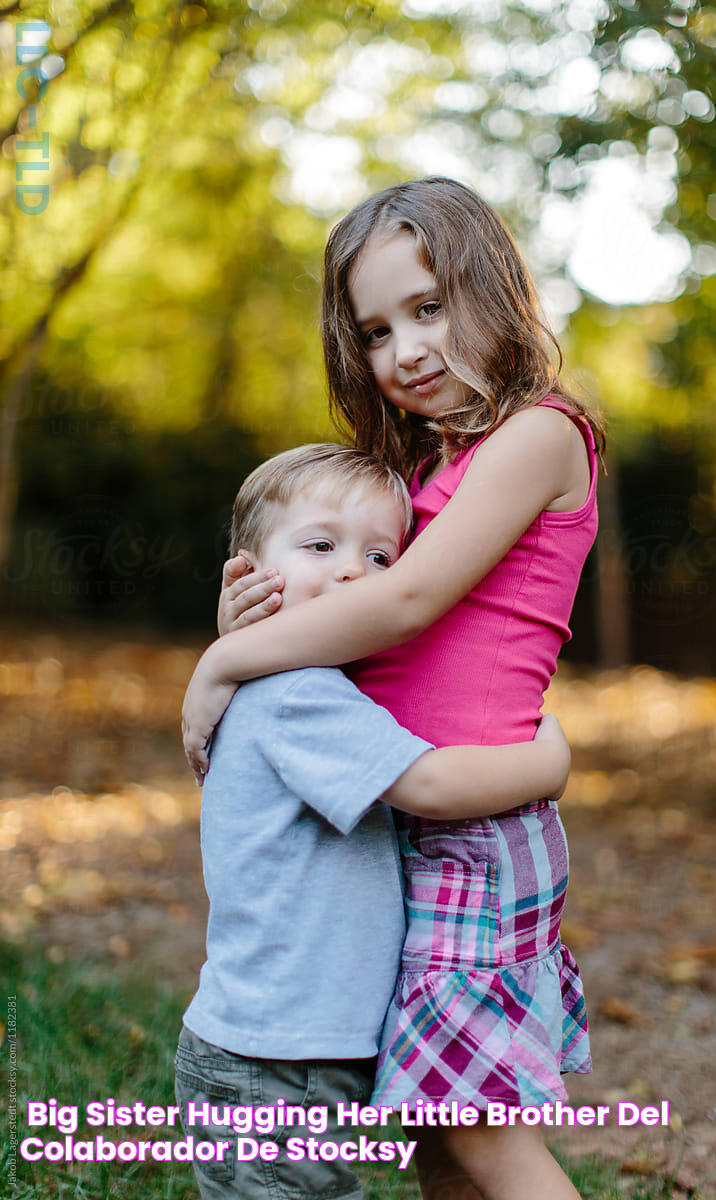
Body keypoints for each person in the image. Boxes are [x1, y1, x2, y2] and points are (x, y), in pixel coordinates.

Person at [182, 177, 603, 1200]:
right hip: (409, 811)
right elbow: (353, 605)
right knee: (429, 1125)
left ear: (493, 289)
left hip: (470, 816)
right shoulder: (425, 469)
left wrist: (222, 663)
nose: (405, 349)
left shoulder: (538, 435)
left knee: (476, 1131)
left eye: (428, 307)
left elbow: (407, 599)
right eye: (374, 331)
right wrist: (259, 621)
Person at [177, 442, 573, 1200]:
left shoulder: (309, 684)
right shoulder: (296, 696)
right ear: (247, 578)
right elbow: (429, 783)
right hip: (269, 1064)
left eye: (383, 557)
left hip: (291, 1049)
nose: (355, 571)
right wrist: (548, 765)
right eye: (321, 546)